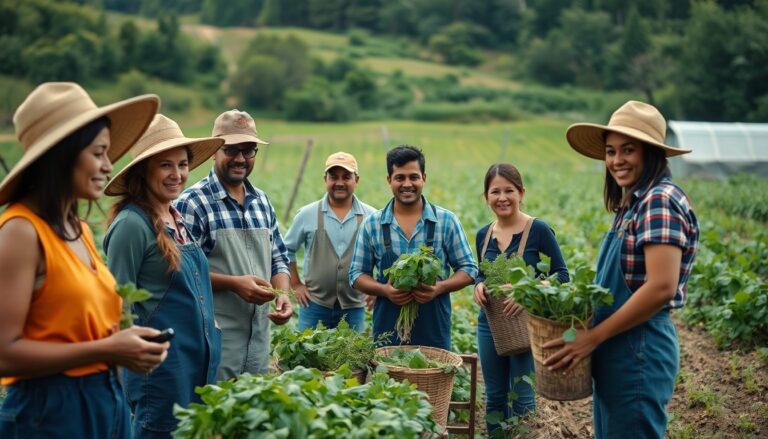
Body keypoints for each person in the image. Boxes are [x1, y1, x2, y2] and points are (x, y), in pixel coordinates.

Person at [0, 82, 168, 437]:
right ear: (61, 156)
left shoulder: (79, 230)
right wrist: (108, 348)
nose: (109, 166)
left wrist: (124, 344)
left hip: (105, 400)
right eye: (99, 153)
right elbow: (4, 352)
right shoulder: (20, 232)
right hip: (49, 412)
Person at [544, 101, 699, 438]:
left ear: (651, 153)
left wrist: (593, 337)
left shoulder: (659, 199)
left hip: (638, 350)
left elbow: (661, 286)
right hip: (617, 350)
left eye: (628, 150)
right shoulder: (632, 205)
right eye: (611, 151)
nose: (616, 161)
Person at [102, 114, 224, 438]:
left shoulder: (175, 215)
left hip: (196, 366)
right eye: (165, 165)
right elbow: (116, 306)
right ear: (144, 171)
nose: (178, 174)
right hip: (161, 373)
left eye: (182, 164)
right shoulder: (131, 225)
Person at [175, 109, 292, 380]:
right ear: (214, 150)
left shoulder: (262, 201)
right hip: (215, 341)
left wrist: (283, 294)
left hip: (258, 342)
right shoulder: (193, 203)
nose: (240, 158)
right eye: (231, 150)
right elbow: (181, 271)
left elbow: (279, 258)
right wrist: (234, 283)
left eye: (248, 150)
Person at [349, 145, 478, 350]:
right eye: (400, 177)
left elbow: (469, 269)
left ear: (423, 179)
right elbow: (356, 274)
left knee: (433, 381)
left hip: (434, 329)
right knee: (388, 382)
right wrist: (384, 290)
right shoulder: (372, 224)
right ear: (389, 180)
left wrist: (439, 288)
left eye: (414, 177)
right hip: (387, 332)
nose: (407, 184)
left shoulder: (446, 221)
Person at [472, 163, 569, 433]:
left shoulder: (539, 230)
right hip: (489, 323)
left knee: (523, 397)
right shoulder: (483, 235)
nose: (502, 197)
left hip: (524, 322)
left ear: (521, 193)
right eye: (495, 192)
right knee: (495, 396)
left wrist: (530, 289)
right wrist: (478, 284)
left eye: (509, 190)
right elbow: (482, 273)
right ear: (486, 197)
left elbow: (562, 275)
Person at [283, 152, 376, 332]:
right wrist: (295, 284)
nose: (339, 182)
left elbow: (382, 255)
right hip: (313, 304)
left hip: (354, 307)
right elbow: (286, 250)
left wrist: (377, 288)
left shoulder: (371, 216)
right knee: (307, 357)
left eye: (346, 177)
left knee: (350, 358)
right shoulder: (307, 214)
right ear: (325, 179)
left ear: (356, 180)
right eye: (333, 177)